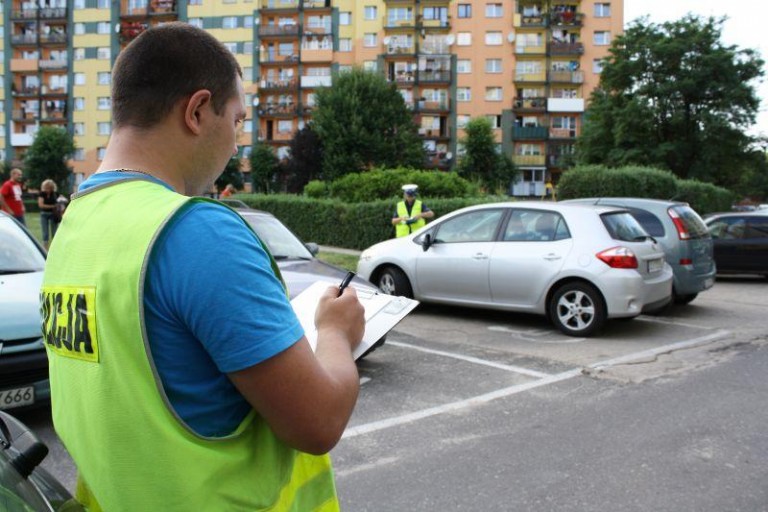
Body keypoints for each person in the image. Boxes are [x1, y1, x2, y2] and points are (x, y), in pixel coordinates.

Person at [40, 23, 365, 512]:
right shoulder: (198, 232)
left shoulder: (76, 224)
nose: (236, 145)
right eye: (235, 121)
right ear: (196, 111)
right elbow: (318, 424)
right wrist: (335, 333)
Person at [37, 179, 59, 249]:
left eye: (50, 188)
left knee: (54, 232)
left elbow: (59, 203)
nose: (48, 190)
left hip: (53, 214)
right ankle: (45, 249)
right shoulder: (41, 194)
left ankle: (54, 248)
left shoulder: (55, 194)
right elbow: (41, 205)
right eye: (46, 188)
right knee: (45, 233)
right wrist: (52, 206)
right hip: (44, 214)